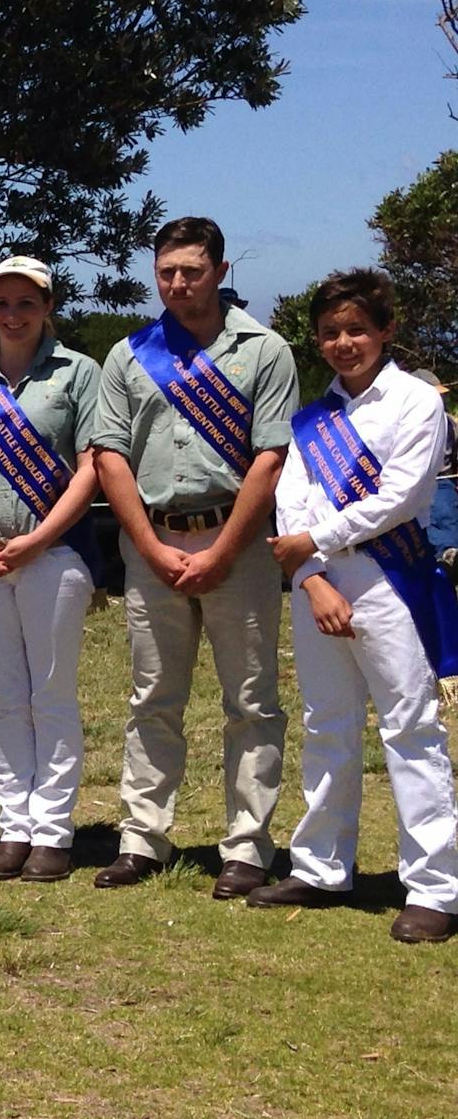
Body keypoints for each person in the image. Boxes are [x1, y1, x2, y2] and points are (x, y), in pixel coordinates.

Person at [89, 217, 296, 897]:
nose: (179, 284)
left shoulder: (266, 351)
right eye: (168, 271)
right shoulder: (130, 355)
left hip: (239, 546)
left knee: (252, 702)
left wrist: (224, 549)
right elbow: (109, 454)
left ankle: (246, 846)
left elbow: (271, 458)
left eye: (193, 271)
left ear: (221, 270)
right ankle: (142, 839)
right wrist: (148, 546)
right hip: (151, 544)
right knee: (153, 699)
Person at [254, 269, 458, 942]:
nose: (345, 343)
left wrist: (318, 539)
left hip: (391, 580)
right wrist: (312, 575)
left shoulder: (416, 402)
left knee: (410, 730)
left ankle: (434, 887)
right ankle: (319, 866)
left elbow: (401, 494)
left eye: (357, 330)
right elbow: (292, 501)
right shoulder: (313, 419)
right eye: (331, 333)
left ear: (386, 331)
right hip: (320, 584)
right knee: (328, 724)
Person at [0, 256, 102, 884]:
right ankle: (14, 825)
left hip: (55, 554)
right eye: (2, 304)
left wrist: (38, 538)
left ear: (47, 307)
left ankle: (54, 830)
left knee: (52, 694)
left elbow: (91, 465)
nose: (13, 315)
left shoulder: (79, 373)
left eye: (26, 303)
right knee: (4, 696)